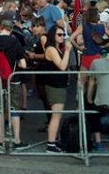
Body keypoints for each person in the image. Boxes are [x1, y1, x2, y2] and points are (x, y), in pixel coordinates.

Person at [0, 18, 27, 148]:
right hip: (13, 79)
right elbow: (23, 64)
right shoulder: (15, 42)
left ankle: (0, 139)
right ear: (11, 29)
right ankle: (17, 140)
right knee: (14, 108)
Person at [42, 24, 74, 153]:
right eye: (59, 35)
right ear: (53, 36)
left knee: (57, 115)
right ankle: (51, 144)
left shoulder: (56, 48)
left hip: (58, 84)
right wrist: (67, 51)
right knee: (56, 115)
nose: (62, 37)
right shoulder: (51, 49)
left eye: (63, 34)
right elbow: (62, 66)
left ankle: (53, 141)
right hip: (55, 85)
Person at [70, 6, 109, 82]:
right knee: (96, 81)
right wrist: (104, 46)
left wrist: (78, 47)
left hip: (86, 56)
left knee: (82, 82)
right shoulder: (102, 27)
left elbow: (71, 38)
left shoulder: (83, 26)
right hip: (98, 56)